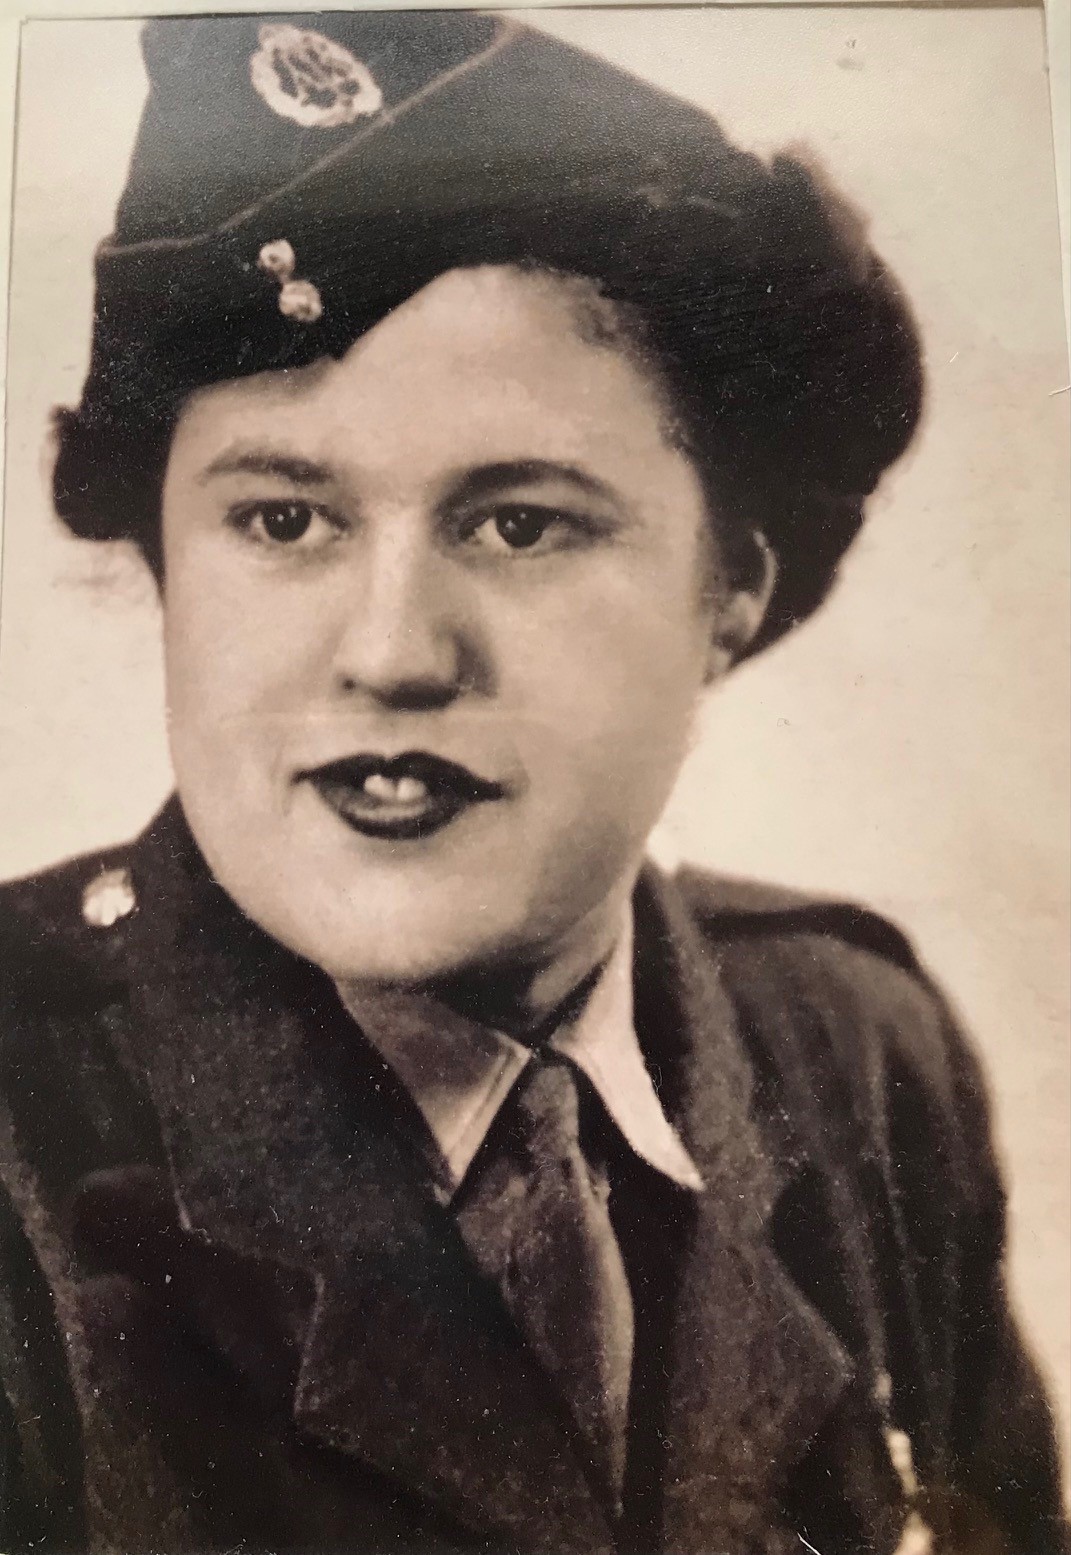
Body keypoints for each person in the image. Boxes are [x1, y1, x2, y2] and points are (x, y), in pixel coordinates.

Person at [0, 11, 1065, 1554]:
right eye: (285, 521)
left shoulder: (855, 1054)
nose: (391, 654)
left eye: (519, 524)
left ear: (732, 589)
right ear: (163, 562)